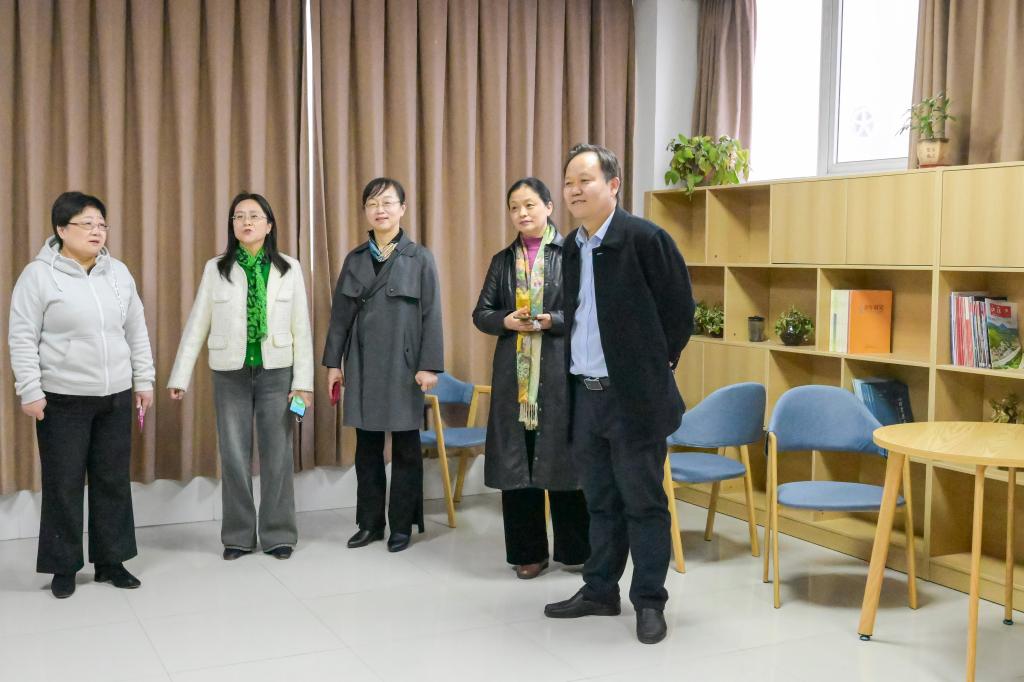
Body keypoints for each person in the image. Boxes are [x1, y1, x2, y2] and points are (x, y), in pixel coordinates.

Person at [543, 144, 694, 644]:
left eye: (584, 180)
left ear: (613, 185)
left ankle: (649, 601)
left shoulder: (645, 238)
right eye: (568, 182)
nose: (574, 190)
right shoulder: (571, 246)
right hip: (585, 396)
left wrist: (653, 366)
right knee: (600, 502)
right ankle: (600, 590)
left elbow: (679, 312)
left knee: (643, 503)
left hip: (634, 400)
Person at [8, 191, 155, 599]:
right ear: (61, 229)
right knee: (64, 483)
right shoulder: (38, 276)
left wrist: (144, 380)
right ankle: (64, 566)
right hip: (63, 398)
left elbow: (136, 330)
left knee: (112, 480)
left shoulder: (118, 272)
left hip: (115, 394)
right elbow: (22, 336)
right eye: (86, 224)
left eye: (101, 224)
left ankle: (112, 561)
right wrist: (30, 390)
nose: (96, 231)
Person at [168, 192, 313, 561]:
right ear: (232, 225)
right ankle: (237, 536)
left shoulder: (289, 268)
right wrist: (180, 376)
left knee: (277, 455)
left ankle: (278, 534)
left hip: (277, 372)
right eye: (239, 216)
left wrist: (303, 384)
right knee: (233, 455)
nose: (246, 222)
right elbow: (198, 321)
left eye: (254, 216)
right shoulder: (216, 268)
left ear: (269, 225)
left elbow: (301, 328)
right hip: (229, 373)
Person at [473, 177, 590, 579]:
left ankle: (576, 550)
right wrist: (505, 321)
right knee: (517, 463)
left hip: (559, 371)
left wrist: (551, 320)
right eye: (514, 207)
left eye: (529, 205)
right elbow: (481, 313)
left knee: (563, 460)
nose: (522, 213)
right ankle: (528, 553)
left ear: (549, 207)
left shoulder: (572, 253)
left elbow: (586, 310)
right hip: (516, 378)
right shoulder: (502, 261)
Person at [323, 177, 443, 553]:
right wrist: (333, 364)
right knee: (367, 449)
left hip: (405, 367)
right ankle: (370, 524)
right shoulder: (355, 259)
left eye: (388, 203)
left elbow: (432, 315)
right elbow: (339, 318)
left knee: (406, 449)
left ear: (402, 209)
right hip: (362, 364)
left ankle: (402, 526)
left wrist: (429, 366)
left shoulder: (420, 258)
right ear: (365, 211)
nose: (381, 210)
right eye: (373, 204)